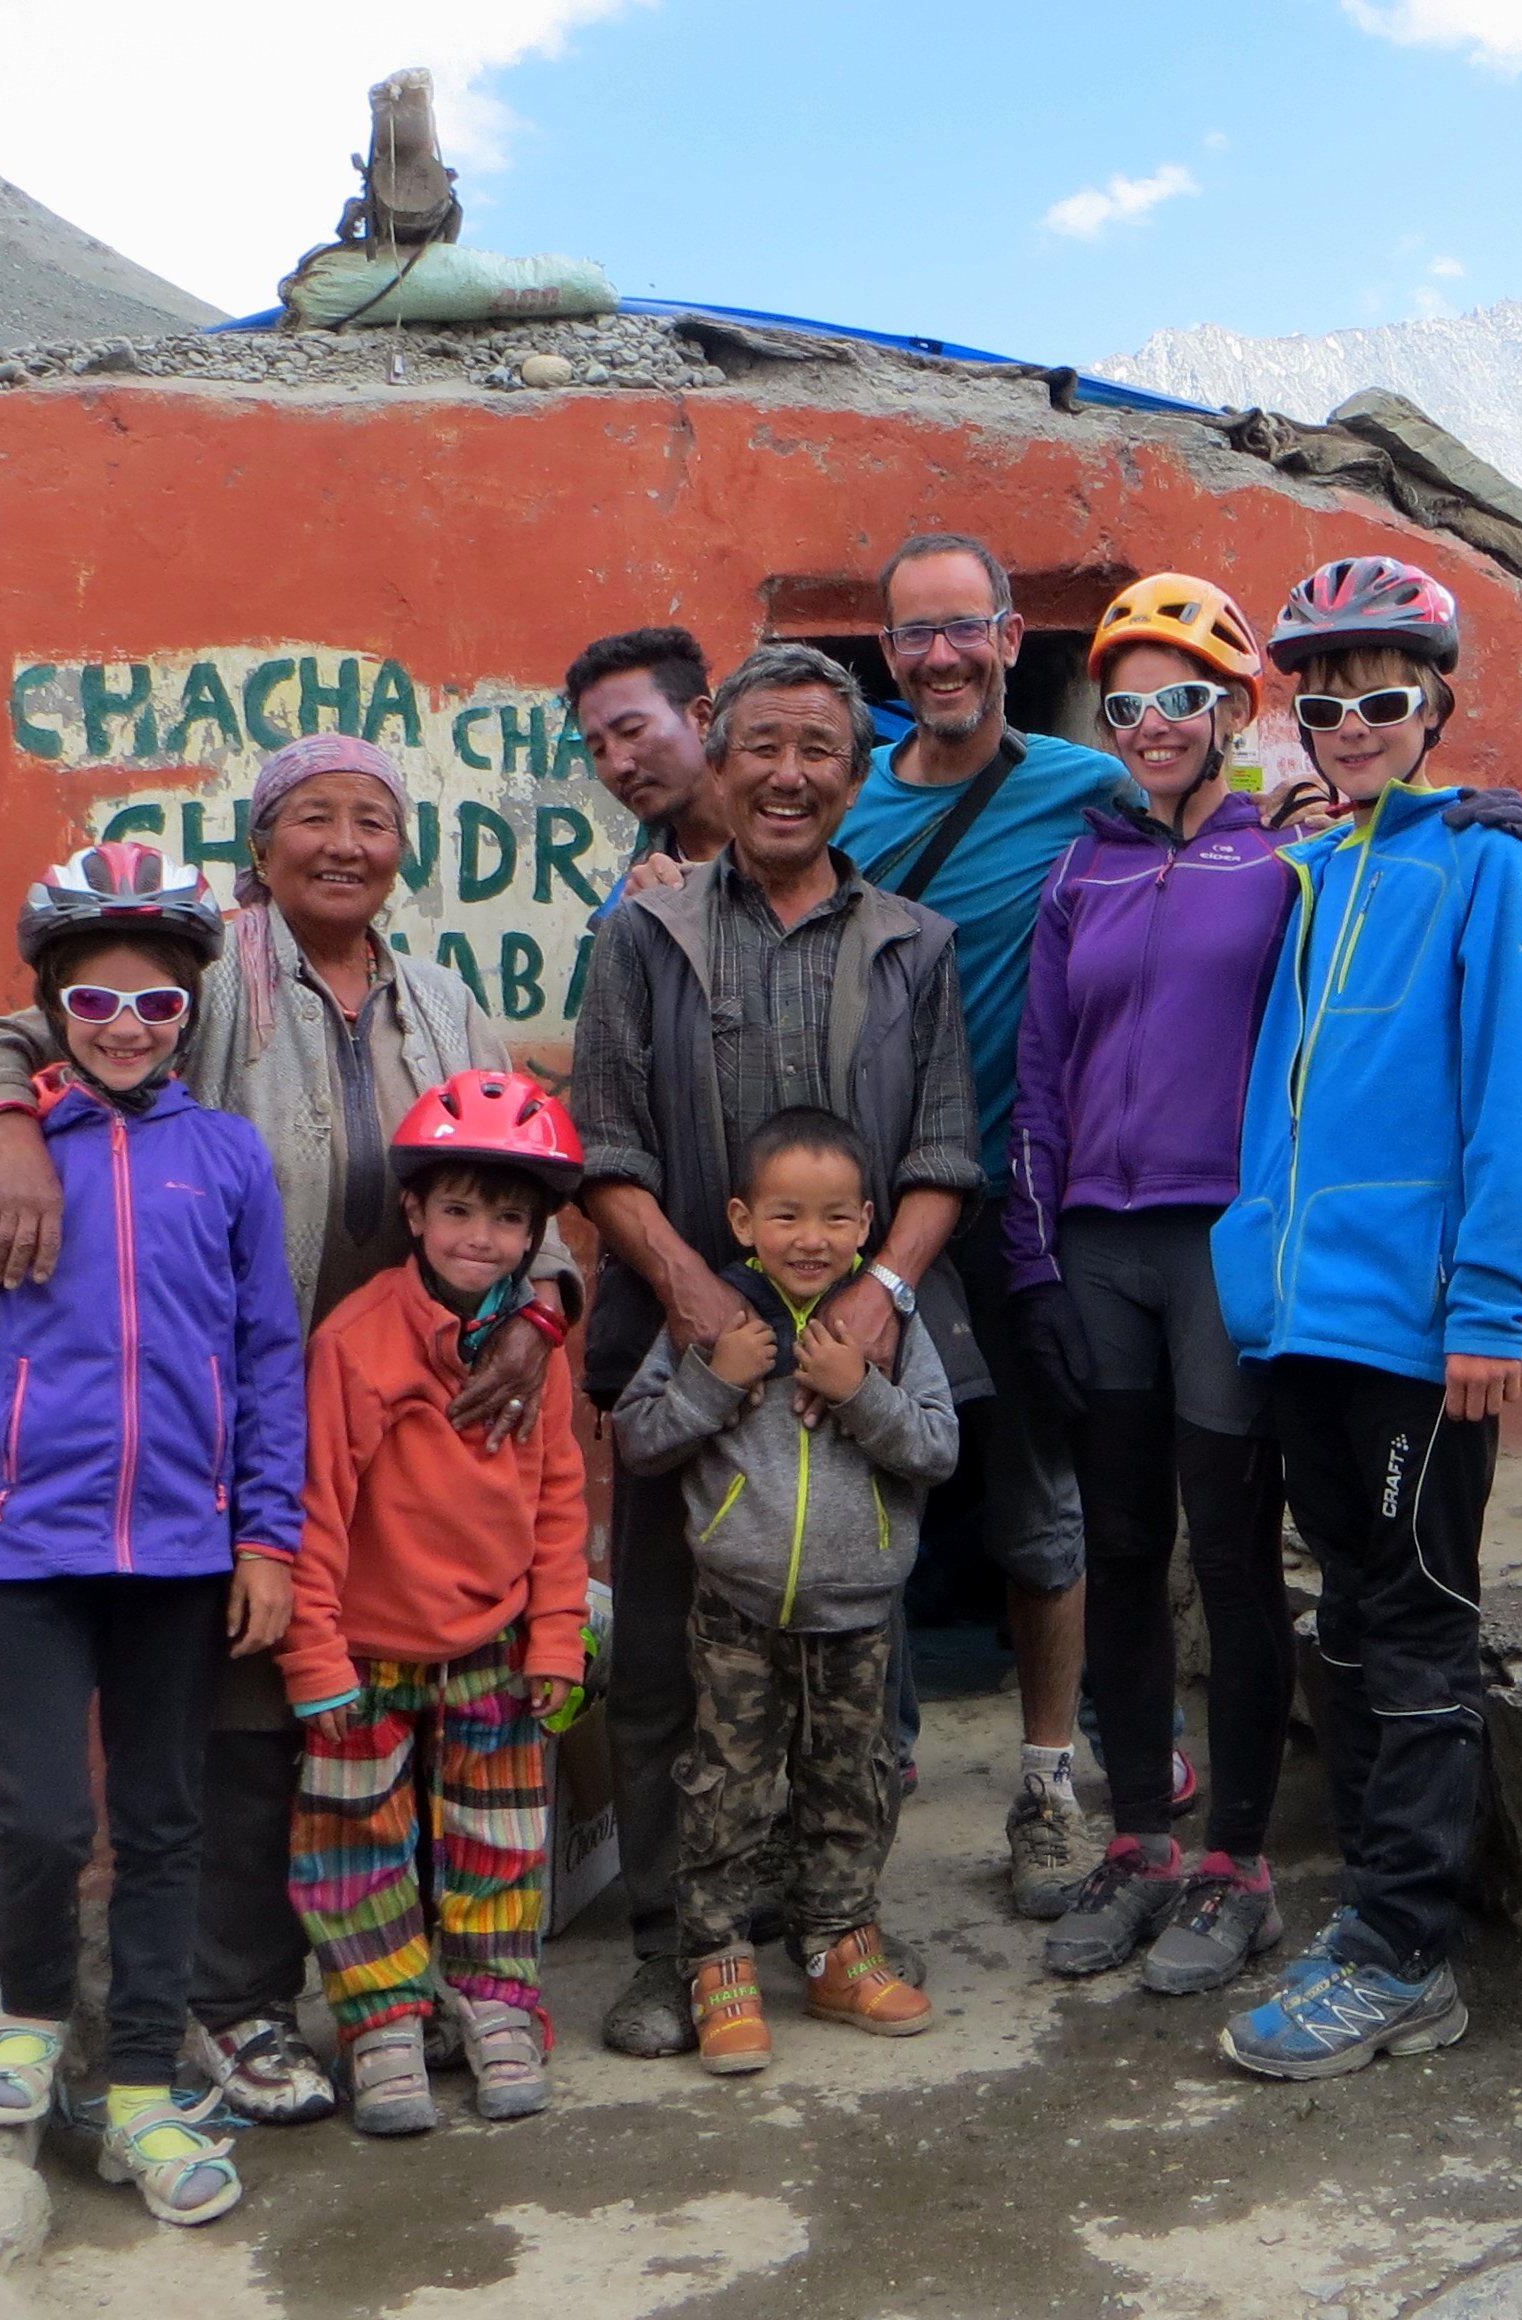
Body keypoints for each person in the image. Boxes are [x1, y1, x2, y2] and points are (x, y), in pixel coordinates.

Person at [0, 731, 581, 2129]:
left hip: (413, 1405)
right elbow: (11, 1041)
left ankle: (406, 1994)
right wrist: (12, 1140)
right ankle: (236, 2001)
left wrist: (543, 1305)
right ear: (262, 843)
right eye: (314, 817)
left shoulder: (441, 999)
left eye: (374, 821)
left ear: (403, 851)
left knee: (393, 1704)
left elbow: (516, 1155)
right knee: (246, 1705)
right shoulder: (202, 974)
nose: (346, 844)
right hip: (231, 1407)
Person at [570, 641, 984, 2056]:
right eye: (763, 747)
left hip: (860, 1359)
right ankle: (674, 1948)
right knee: (668, 1664)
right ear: (718, 756)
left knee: (850, 1665)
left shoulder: (915, 944)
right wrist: (693, 1293)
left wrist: (880, 1294)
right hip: (694, 1358)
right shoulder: (646, 935)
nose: (789, 775)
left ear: (856, 778)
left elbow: (943, 1150)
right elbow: (606, 1144)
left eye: (819, 750)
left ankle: (832, 1925)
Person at [0, 842, 304, 2226]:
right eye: (94, 1003)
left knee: (163, 1821)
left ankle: (141, 2083)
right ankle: (28, 2013)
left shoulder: (228, 1157)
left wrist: (268, 1540)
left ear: (192, 1011)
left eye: (157, 1004)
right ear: (50, 1009)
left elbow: (268, 1361)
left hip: (182, 1558)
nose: (127, 1027)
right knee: (43, 1814)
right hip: (23, 1553)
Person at [1209, 555, 1522, 2080]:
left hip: (1423, 1331)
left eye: (1384, 699)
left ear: (1439, 710)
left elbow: (1510, 1095)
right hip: (1303, 1322)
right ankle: (1372, 1908)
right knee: (1347, 1618)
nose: (1351, 725)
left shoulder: (1490, 867)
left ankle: (1407, 1954)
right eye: (1323, 704)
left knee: (1415, 1622)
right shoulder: (1316, 873)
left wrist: (1490, 1304)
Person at [1005, 575, 1304, 1991]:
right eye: (1126, 707)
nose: (1155, 726)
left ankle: (1240, 1864)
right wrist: (1034, 1263)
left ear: (1234, 710)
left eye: (1184, 698)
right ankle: (1140, 1840)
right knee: (1121, 1548)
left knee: (1232, 1555)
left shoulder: (1287, 865)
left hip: (1223, 1248)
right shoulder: (1084, 871)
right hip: (1098, 1252)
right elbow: (1039, 1073)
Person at [833, 532, 1136, 1919]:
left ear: (1015, 637)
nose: (942, 656)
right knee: (863, 1504)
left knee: (1039, 1510)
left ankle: (1048, 1787)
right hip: (871, 1217)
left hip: (1021, 1216)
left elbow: (1220, 850)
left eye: (966, 627)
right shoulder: (844, 809)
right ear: (888, 655)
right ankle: (861, 1787)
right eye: (915, 635)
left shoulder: (1088, 788)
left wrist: (1442, 807)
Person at [605, 1107, 959, 2071]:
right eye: (788, 1215)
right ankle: (717, 1964)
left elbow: (938, 1448)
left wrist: (859, 1391)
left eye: (837, 1217)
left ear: (867, 1223)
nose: (812, 1239)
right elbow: (637, 1438)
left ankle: (839, 1950)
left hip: (859, 1612)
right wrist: (716, 1381)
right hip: (736, 1608)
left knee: (852, 1785)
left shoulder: (889, 1328)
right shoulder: (717, 1318)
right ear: (742, 1220)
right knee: (724, 1791)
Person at [281, 1070, 592, 2134]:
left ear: (536, 1236)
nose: (480, 1238)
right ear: (413, 1211)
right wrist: (314, 1659)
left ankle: (498, 2002)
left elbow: (560, 1501)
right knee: (354, 1845)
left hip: (495, 1642)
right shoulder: (354, 1344)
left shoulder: (535, 1352)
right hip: (367, 1652)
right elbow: (314, 1511)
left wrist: (555, 1638)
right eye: (458, 1210)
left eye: (508, 1220)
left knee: (500, 1838)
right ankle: (381, 2022)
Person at [570, 626, 728, 915]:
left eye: (633, 731)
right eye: (598, 750)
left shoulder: (811, 847)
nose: (619, 766)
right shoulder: (631, 904)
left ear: (703, 718)